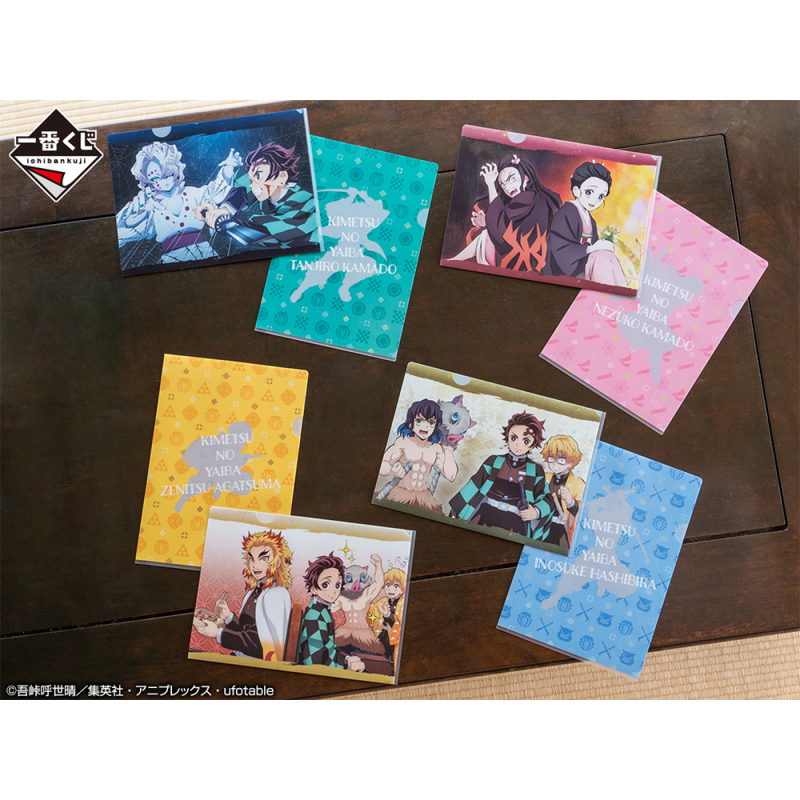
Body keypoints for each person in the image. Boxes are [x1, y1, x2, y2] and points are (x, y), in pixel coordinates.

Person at [116, 141, 240, 264]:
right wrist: (132, 216)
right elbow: (122, 234)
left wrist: (229, 168)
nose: (161, 182)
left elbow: (214, 192)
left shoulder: (192, 194)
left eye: (166, 175)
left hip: (205, 253)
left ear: (174, 169)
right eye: (154, 179)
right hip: (172, 260)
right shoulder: (151, 207)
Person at [194, 141, 318, 255]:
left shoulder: (305, 203)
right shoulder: (271, 189)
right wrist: (223, 210)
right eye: (252, 180)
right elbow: (243, 188)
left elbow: (263, 233)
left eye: (258, 176)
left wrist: (223, 222)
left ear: (282, 177)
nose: (253, 187)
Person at [448, 411, 553, 540]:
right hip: (485, 516)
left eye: (526, 441)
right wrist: (456, 510)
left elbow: (547, 498)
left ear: (532, 445)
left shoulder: (535, 470)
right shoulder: (494, 461)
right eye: (513, 438)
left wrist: (536, 511)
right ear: (507, 438)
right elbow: (474, 485)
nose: (517, 444)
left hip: (515, 524)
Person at [449, 153, 562, 272]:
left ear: (526, 177)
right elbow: (510, 226)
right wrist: (488, 221)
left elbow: (500, 230)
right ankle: (456, 260)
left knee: (486, 235)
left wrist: (490, 184)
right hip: (534, 259)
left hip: (523, 261)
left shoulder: (527, 197)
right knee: (486, 234)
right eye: (503, 184)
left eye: (512, 178)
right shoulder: (536, 199)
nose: (508, 187)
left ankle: (456, 260)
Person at [192, 530, 292, 661]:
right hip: (241, 657)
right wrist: (229, 617)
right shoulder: (254, 591)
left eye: (263, 559)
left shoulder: (275, 594)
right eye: (252, 559)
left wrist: (218, 633)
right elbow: (245, 631)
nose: (255, 565)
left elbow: (260, 644)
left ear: (277, 562)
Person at [545, 161, 627, 286]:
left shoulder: (590, 220)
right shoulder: (566, 214)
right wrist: (591, 248)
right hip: (566, 268)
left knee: (605, 255)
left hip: (585, 263)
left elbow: (595, 245)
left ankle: (618, 288)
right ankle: (614, 290)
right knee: (601, 258)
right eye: (589, 192)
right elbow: (562, 249)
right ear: (576, 190)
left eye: (601, 196)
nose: (595, 200)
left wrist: (601, 247)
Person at [376, 399, 457, 513]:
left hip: (423, 497)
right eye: (419, 421)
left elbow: (451, 476)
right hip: (399, 492)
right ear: (411, 423)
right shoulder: (403, 442)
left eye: (431, 423)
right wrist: (391, 470)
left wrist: (448, 450)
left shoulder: (435, 448)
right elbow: (381, 465)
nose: (425, 426)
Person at [296, 553, 364, 671]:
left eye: (337, 585)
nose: (333, 591)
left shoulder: (323, 610)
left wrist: (346, 658)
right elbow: (315, 660)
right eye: (325, 585)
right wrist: (347, 665)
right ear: (314, 589)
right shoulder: (315, 616)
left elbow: (329, 646)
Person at [541, 434, 585, 549]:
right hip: (542, 526)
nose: (554, 464)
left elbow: (583, 512)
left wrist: (571, 502)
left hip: (561, 531)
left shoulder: (578, 483)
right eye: (551, 459)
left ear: (571, 462)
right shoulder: (545, 477)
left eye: (561, 460)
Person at [367, 567, 406, 671]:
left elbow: (400, 624)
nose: (391, 590)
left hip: (393, 640)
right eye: (388, 585)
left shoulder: (403, 603)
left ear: (402, 589)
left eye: (396, 586)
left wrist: (388, 614)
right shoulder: (383, 601)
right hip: (381, 635)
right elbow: (370, 613)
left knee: (390, 663)